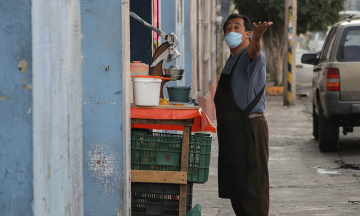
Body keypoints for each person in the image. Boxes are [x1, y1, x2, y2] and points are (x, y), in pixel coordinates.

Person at [214, 13, 273, 216]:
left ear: (247, 34)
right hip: (232, 132)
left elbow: (255, 50)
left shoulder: (250, 56)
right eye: (228, 28)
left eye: (237, 27)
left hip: (250, 129)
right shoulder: (231, 60)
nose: (231, 31)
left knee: (252, 188)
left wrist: (257, 37)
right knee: (236, 188)